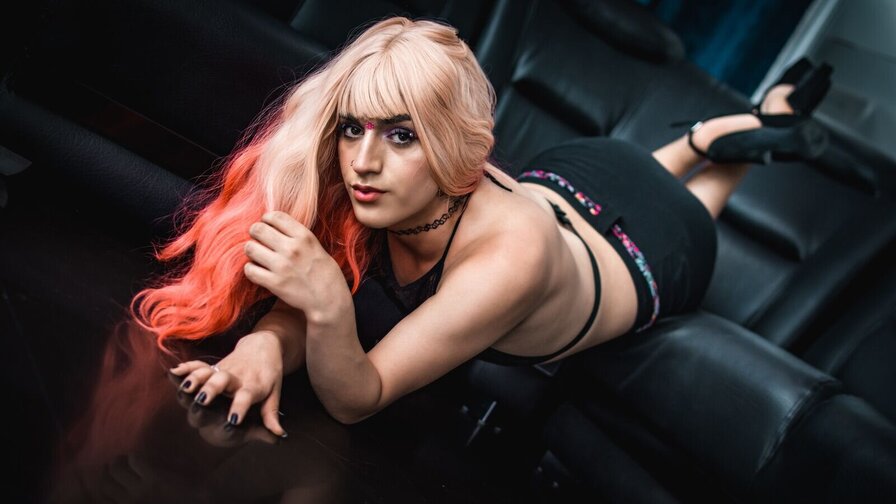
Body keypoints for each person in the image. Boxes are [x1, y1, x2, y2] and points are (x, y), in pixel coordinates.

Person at [132, 17, 831, 437]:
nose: (364, 162)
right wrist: (263, 344)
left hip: (650, 245)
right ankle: (714, 134)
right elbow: (310, 296)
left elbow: (357, 398)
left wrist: (326, 305)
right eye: (352, 129)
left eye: (402, 135)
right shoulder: (373, 184)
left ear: (448, 142)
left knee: (699, 194)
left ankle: (740, 139)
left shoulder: (509, 261)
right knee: (652, 171)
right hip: (582, 173)